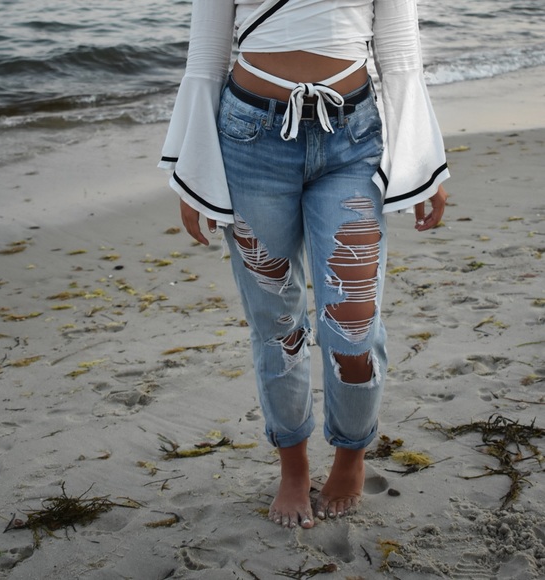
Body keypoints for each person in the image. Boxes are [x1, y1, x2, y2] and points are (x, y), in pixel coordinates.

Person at [159, 0, 449, 529]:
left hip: (352, 141)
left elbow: (401, 55)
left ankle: (350, 456)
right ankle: (293, 469)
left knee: (355, 325)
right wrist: (193, 166)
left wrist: (423, 160)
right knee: (277, 324)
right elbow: (206, 58)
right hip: (249, 141)